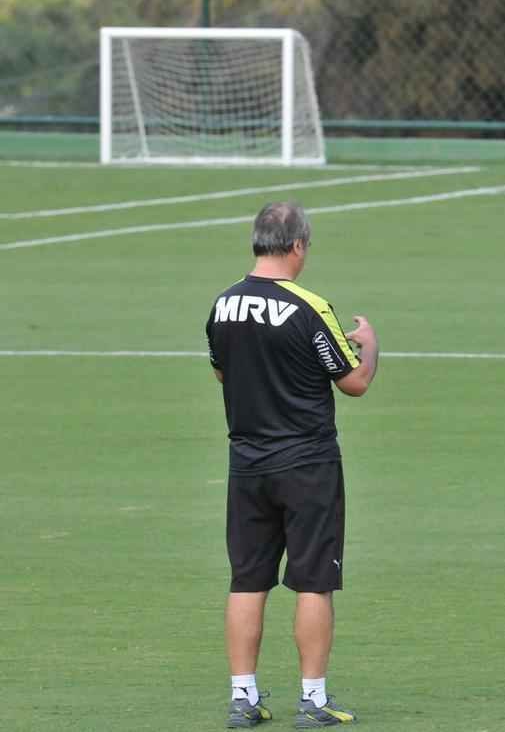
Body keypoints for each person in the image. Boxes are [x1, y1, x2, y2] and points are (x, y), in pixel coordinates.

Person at [206, 201, 379, 727]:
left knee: (247, 580)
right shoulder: (308, 306)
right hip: (307, 464)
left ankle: (243, 697)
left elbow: (221, 373)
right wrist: (369, 345)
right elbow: (354, 382)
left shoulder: (222, 305)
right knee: (312, 582)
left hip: (247, 463)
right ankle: (313, 699)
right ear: (299, 245)